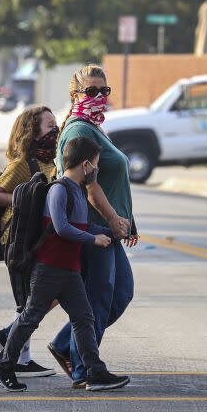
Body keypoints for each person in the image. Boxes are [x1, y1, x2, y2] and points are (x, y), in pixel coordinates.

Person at [0, 137, 130, 393]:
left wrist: (112, 230)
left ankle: (93, 372)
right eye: (96, 165)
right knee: (31, 317)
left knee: (84, 318)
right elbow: (61, 228)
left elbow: (81, 226)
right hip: (49, 269)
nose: (96, 171)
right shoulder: (59, 189)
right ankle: (4, 365)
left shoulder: (77, 190)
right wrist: (93, 239)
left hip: (69, 271)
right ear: (86, 164)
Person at [49, 65, 137, 388]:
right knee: (98, 300)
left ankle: (65, 345)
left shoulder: (94, 128)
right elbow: (89, 186)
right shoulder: (79, 132)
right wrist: (113, 220)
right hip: (94, 229)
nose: (99, 97)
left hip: (109, 228)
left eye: (104, 91)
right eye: (91, 91)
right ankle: (87, 369)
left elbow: (113, 180)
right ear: (75, 95)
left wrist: (128, 221)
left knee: (120, 294)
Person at [0, 106, 59, 378]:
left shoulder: (52, 163)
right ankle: (17, 353)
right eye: (49, 126)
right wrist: (27, 199)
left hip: (39, 239)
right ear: (32, 131)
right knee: (31, 299)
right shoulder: (22, 164)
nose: (55, 131)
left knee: (38, 297)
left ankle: (12, 341)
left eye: (56, 125)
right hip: (18, 240)